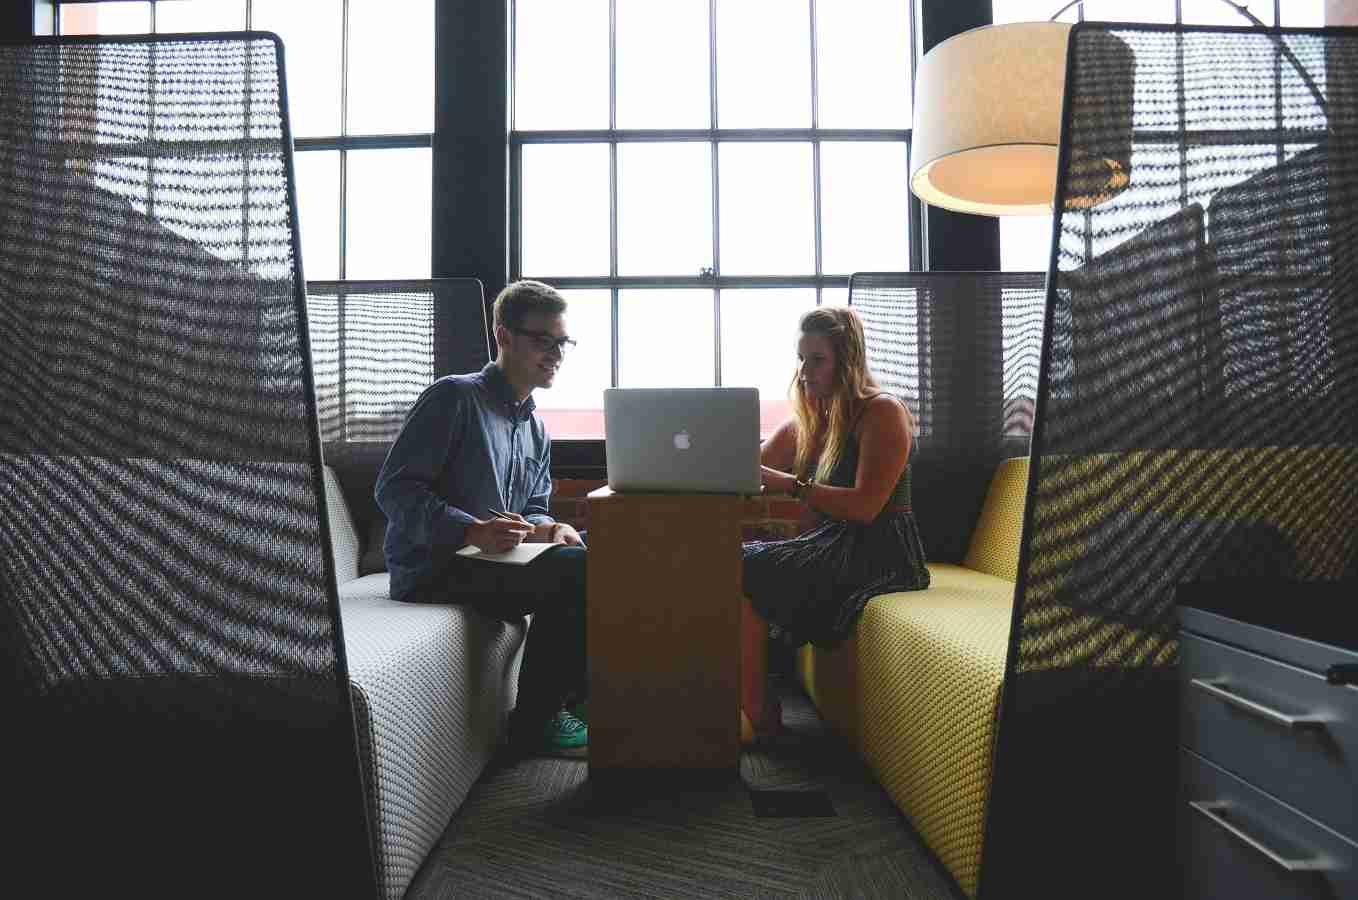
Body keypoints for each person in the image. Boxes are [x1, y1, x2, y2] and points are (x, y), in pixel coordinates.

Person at [375, 279, 588, 758]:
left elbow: (533, 507)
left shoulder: (535, 428)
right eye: (543, 340)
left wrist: (550, 528)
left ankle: (581, 698)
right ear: (503, 336)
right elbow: (395, 490)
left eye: (563, 343)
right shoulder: (453, 397)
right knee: (577, 571)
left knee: (598, 549)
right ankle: (534, 724)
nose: (556, 354)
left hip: (496, 562)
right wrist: (471, 530)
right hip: (435, 568)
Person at [741, 306, 930, 738]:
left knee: (745, 566)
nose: (804, 371)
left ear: (846, 362)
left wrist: (791, 485)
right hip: (832, 542)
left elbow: (866, 507)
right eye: (801, 359)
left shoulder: (882, 412)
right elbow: (749, 468)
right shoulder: (812, 419)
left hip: (882, 550)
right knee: (736, 561)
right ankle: (754, 705)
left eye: (817, 360)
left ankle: (758, 714)